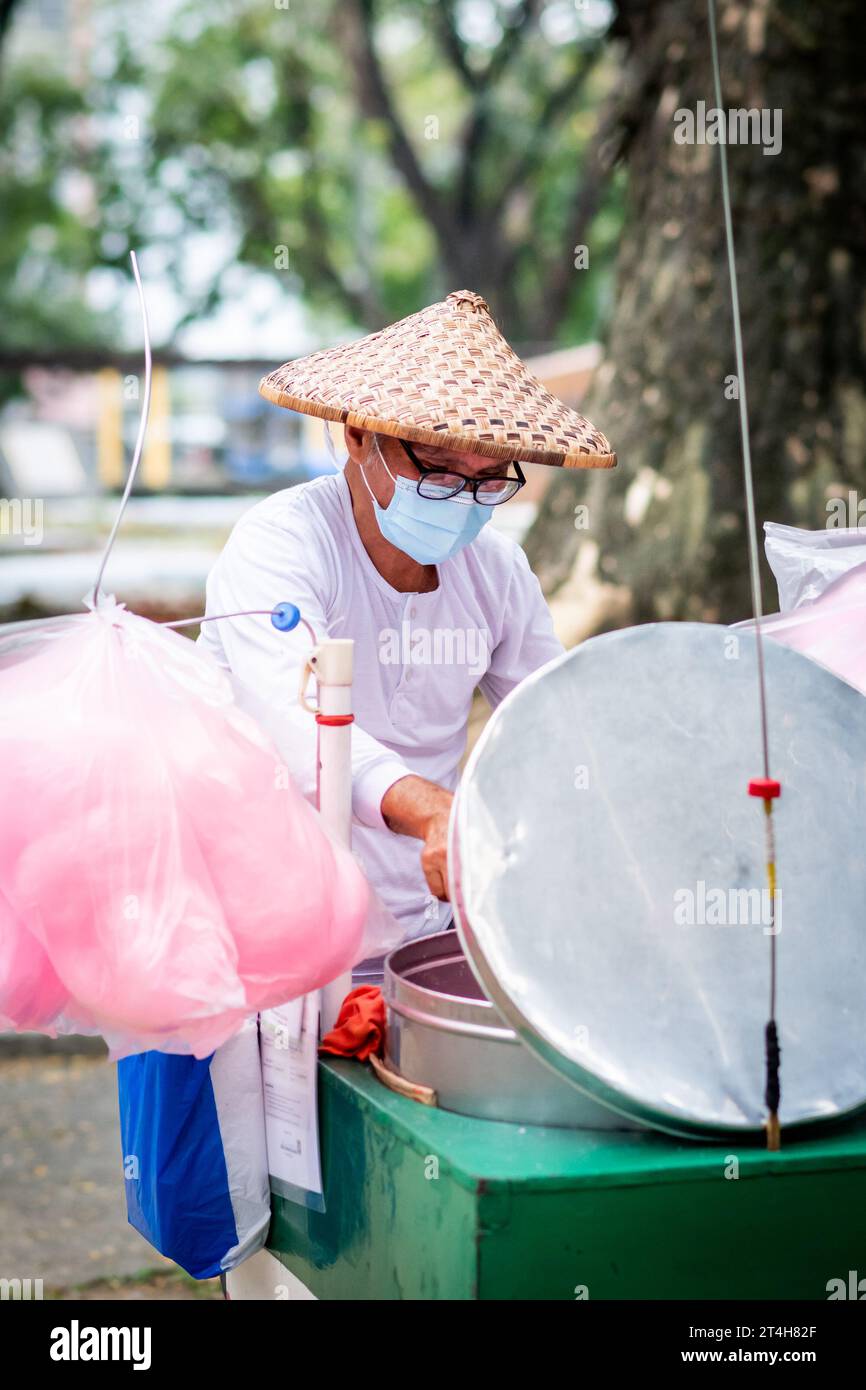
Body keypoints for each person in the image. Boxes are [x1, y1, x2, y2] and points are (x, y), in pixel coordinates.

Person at [200, 290, 614, 957]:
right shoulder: (281, 544)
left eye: (488, 480)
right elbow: (298, 724)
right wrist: (429, 809)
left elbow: (553, 719)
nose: (464, 498)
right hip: (263, 929)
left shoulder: (496, 571)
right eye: (441, 469)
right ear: (360, 434)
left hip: (419, 926)